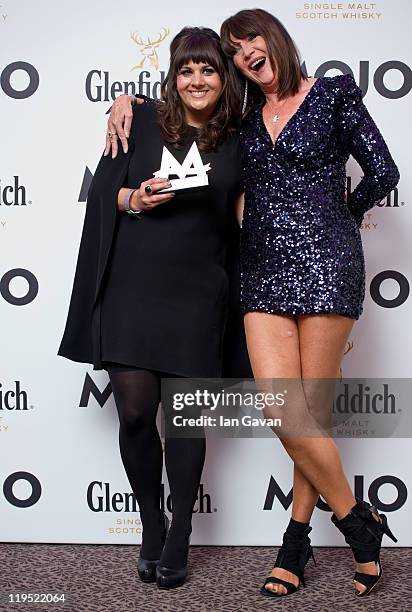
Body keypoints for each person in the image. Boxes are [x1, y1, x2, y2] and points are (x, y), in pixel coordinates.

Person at [106, 9, 400, 598]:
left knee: (308, 415)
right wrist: (124, 97)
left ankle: (296, 541)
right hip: (262, 270)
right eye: (234, 51)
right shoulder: (240, 120)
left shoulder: (335, 94)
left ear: (275, 39)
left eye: (251, 41)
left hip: (325, 267)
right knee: (281, 410)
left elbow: (383, 171)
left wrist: (338, 218)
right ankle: (359, 523)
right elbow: (185, 104)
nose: (245, 55)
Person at [58, 26, 251, 590]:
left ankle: (179, 534)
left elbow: (245, 216)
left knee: (186, 422)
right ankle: (151, 522)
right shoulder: (139, 121)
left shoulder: (241, 140)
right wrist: (134, 199)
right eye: (186, 70)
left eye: (209, 70)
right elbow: (102, 194)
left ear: (225, 78)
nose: (197, 80)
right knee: (138, 415)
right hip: (131, 289)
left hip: (199, 296)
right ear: (173, 76)